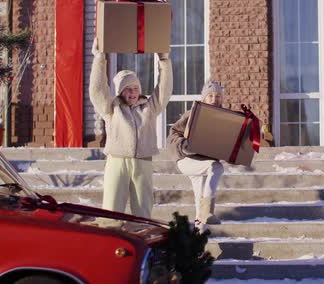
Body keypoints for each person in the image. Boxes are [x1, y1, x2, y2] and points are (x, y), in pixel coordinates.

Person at [89, 38, 172, 218]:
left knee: (143, 211)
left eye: (135, 88)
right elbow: (97, 91)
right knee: (111, 210)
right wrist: (99, 58)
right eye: (128, 89)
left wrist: (164, 61)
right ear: (120, 92)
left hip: (143, 162)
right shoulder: (111, 108)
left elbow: (164, 90)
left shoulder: (149, 108)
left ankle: (142, 242)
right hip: (117, 161)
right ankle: (110, 241)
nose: (133, 92)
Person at [167, 80, 225, 231]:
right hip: (186, 159)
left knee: (200, 205)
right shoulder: (192, 114)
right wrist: (183, 145)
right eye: (210, 95)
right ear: (204, 98)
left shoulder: (224, 118)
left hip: (202, 161)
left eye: (218, 96)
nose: (214, 99)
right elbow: (173, 133)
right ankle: (209, 210)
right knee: (216, 167)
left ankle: (198, 241)